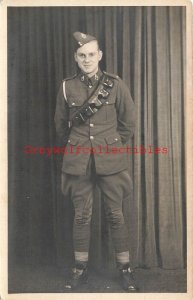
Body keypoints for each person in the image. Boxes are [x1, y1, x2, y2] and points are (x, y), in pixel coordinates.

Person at [54, 31, 138, 292]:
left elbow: (128, 124)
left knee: (116, 214)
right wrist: (80, 145)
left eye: (91, 54)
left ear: (99, 55)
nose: (87, 59)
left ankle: (125, 270)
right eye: (82, 55)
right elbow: (60, 126)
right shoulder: (67, 86)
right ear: (75, 58)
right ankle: (80, 269)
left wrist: (109, 145)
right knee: (81, 216)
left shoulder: (115, 84)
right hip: (78, 161)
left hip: (110, 159)